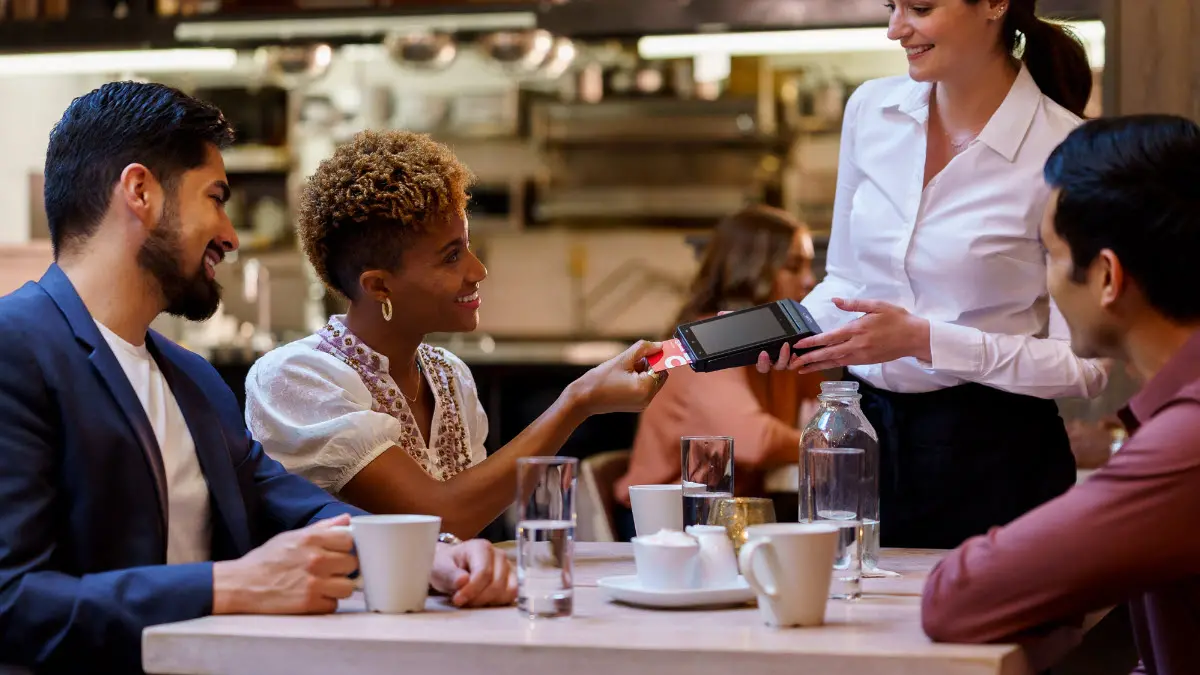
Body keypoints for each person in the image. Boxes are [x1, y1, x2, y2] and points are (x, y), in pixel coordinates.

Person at [0, 82, 514, 675]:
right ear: (139, 192)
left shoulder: (191, 379)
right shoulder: (17, 348)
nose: (231, 234)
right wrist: (228, 586)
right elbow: (13, 601)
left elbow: (293, 504)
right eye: (215, 198)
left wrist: (432, 557)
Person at [758, 0, 1107, 549]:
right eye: (891, 6)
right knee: (852, 628)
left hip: (996, 454)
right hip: (863, 438)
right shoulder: (870, 110)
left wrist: (924, 340)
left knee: (982, 633)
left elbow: (1086, 367)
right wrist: (794, 330)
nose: (896, 29)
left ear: (995, 4)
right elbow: (846, 281)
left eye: (919, 7)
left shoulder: (1063, 150)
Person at [244, 129, 665, 540]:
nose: (477, 271)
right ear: (378, 287)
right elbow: (440, 519)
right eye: (451, 257)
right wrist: (578, 401)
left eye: (467, 247)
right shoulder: (296, 377)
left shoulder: (450, 376)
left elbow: (465, 531)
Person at [922, 114, 1200, 674]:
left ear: (1106, 277)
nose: (1044, 282)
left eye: (1048, 254)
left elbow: (959, 598)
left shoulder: (1188, 439)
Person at [613, 205, 822, 537]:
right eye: (793, 267)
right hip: (665, 521)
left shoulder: (776, 346)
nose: (810, 280)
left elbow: (816, 413)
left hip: (726, 514)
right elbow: (758, 440)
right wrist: (830, 446)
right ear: (750, 272)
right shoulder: (709, 340)